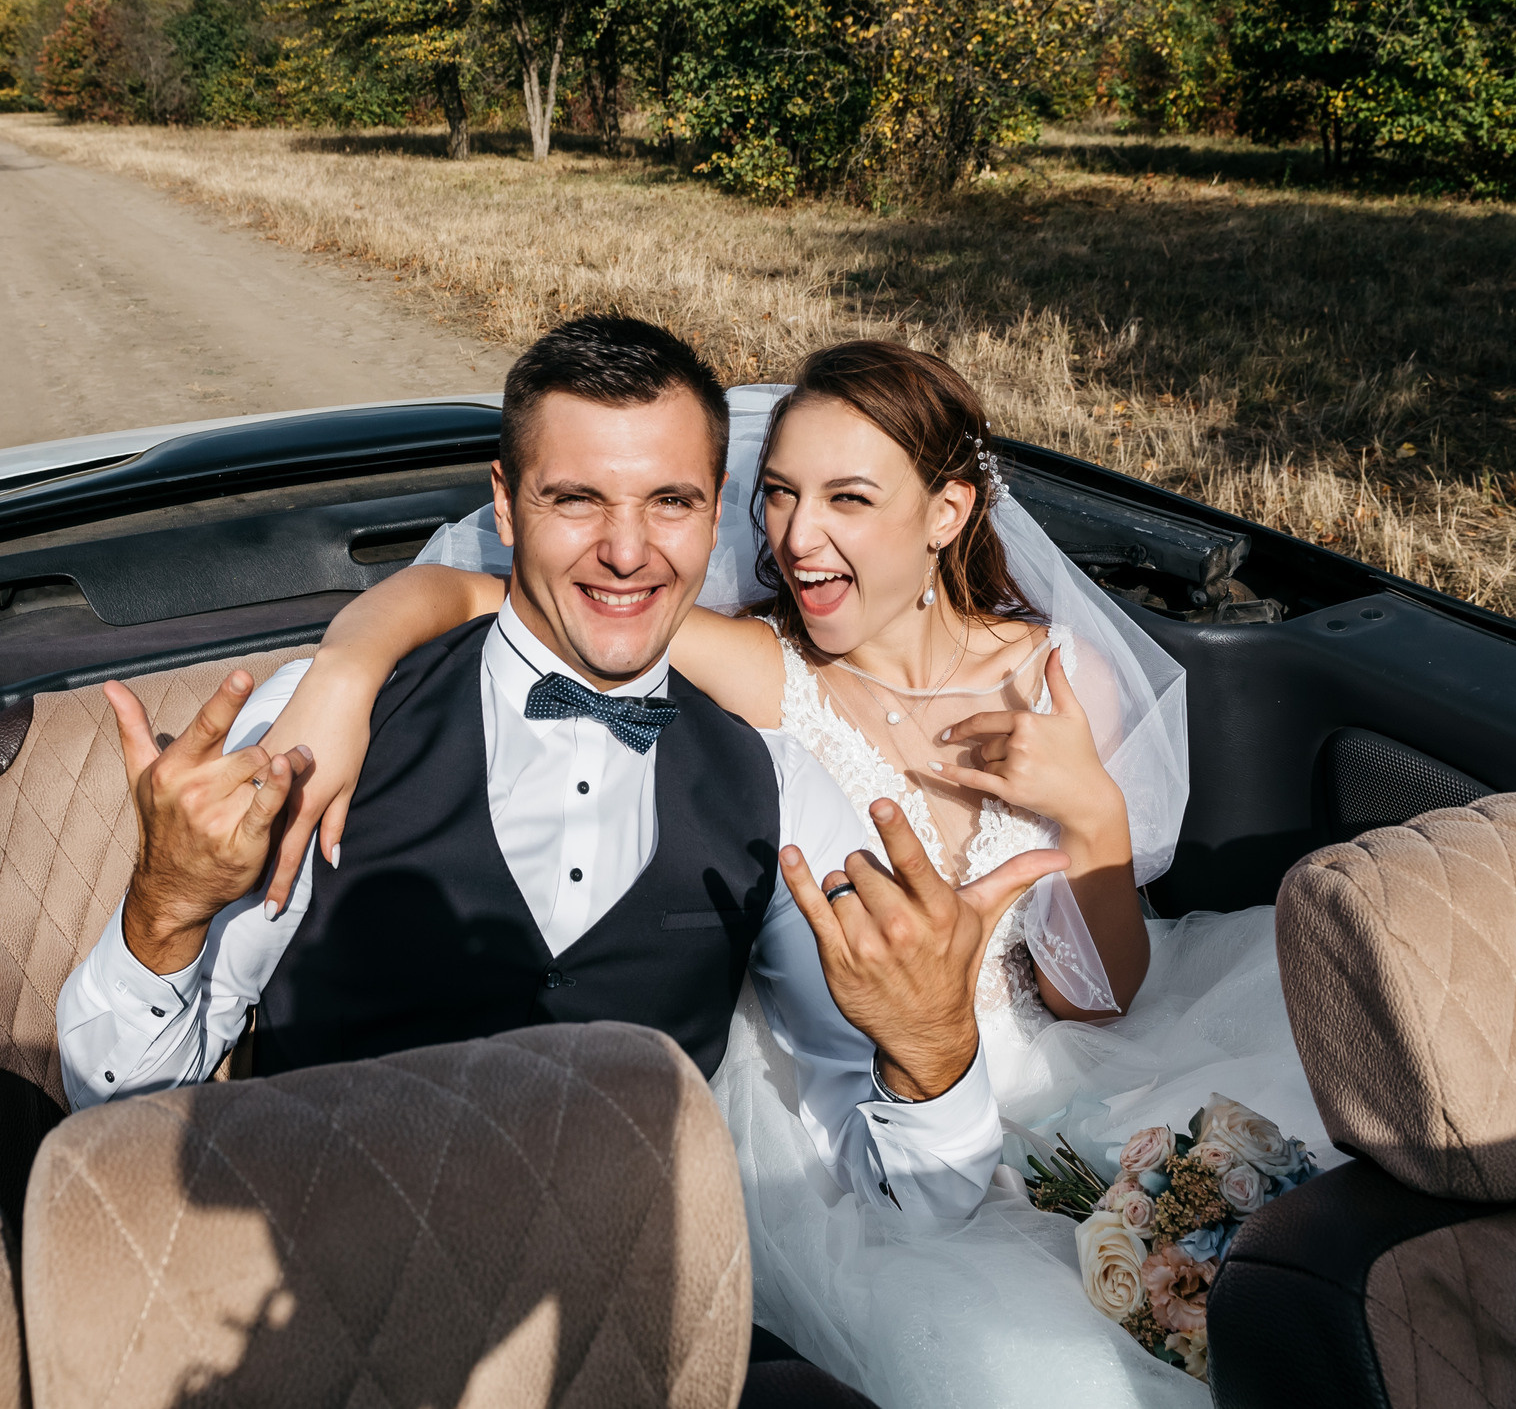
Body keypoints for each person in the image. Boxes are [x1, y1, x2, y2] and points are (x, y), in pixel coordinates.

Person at [261, 338, 1331, 1408]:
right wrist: (345, 675)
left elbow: (1092, 997)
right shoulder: (768, 665)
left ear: (946, 512)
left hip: (1055, 1070)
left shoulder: (1056, 673)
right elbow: (490, 597)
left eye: (847, 499)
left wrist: (1087, 809)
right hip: (843, 1107)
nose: (795, 537)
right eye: (777, 494)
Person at [56, 317, 1065, 1247]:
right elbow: (118, 1108)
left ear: (715, 511)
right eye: (575, 498)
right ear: (504, 501)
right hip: (317, 1291)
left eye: (669, 501)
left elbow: (915, 1194)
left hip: (621, 1324)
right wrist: (165, 905)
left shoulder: (779, 785)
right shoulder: (328, 722)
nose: (626, 551)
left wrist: (933, 1048)